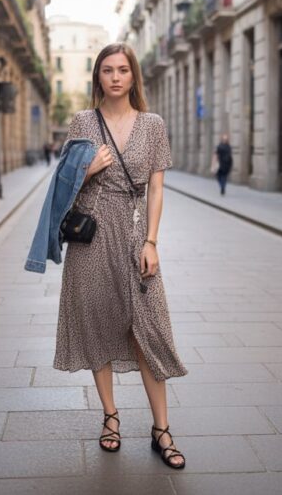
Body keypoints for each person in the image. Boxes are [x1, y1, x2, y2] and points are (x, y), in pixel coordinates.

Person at [55, 42, 187, 469]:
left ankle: (161, 428)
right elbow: (61, 187)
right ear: (98, 77)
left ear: (134, 77)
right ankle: (110, 417)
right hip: (91, 237)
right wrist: (87, 169)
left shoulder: (152, 124)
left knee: (147, 328)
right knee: (97, 327)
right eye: (107, 70)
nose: (115, 77)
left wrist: (151, 241)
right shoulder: (82, 122)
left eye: (123, 70)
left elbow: (157, 186)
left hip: (133, 236)